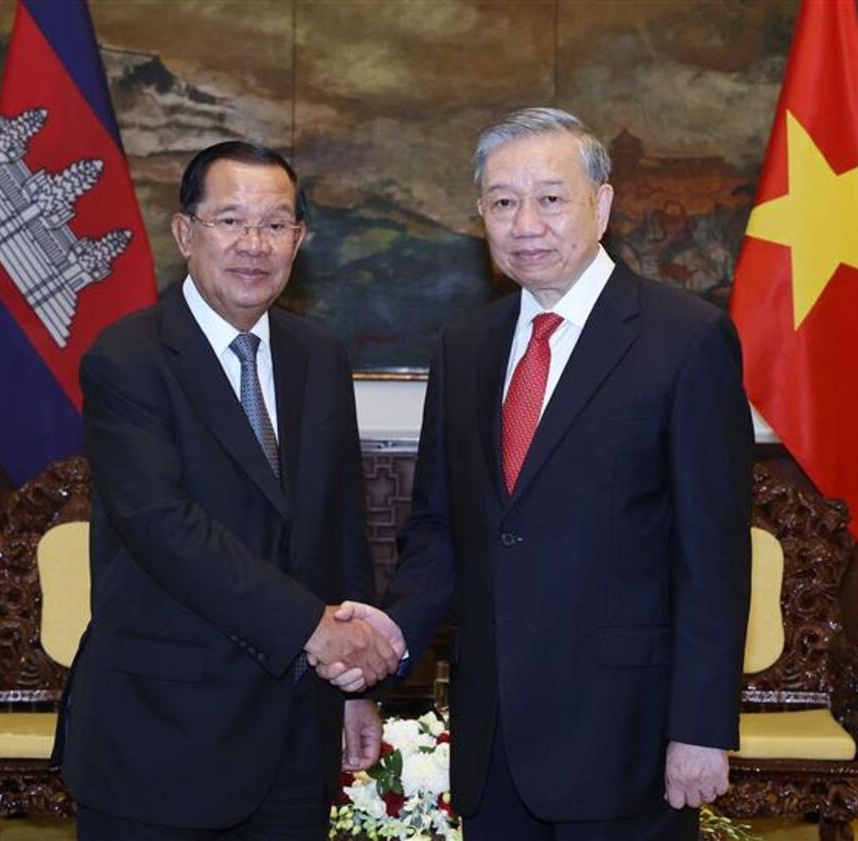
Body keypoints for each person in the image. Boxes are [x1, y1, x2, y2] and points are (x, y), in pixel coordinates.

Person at [325, 108, 755, 840]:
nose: (525, 224)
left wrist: (701, 726)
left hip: (628, 736)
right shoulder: (465, 346)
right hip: (493, 736)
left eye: (550, 199)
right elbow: (439, 526)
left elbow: (712, 553)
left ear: (602, 205)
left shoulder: (686, 338)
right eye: (502, 202)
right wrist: (392, 631)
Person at [56, 141, 400, 841]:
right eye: (231, 221)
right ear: (185, 233)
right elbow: (165, 527)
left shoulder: (319, 355)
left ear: (298, 240)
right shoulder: (127, 358)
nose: (255, 244)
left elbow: (339, 526)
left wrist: (354, 685)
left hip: (295, 737)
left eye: (276, 224)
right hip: (162, 734)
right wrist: (314, 629)